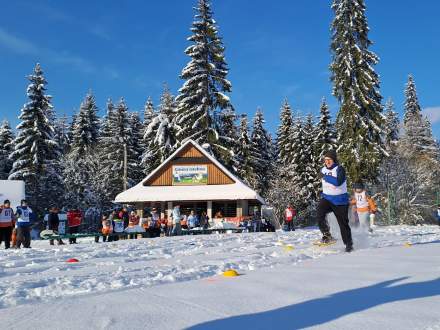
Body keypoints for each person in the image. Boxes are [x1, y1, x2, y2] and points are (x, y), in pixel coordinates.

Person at [316, 150, 353, 252]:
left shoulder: (340, 169)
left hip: (340, 201)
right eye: (326, 160)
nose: (327, 162)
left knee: (343, 224)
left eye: (329, 160)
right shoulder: (323, 169)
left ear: (334, 160)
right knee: (319, 213)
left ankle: (348, 244)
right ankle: (327, 235)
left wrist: (325, 177)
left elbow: (338, 182)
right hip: (327, 199)